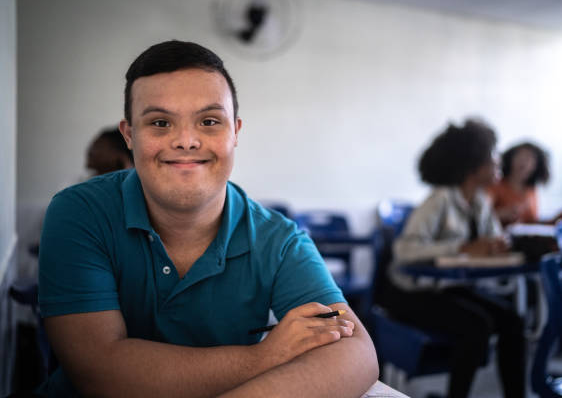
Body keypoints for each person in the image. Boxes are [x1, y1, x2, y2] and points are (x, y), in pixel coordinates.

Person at [38, 40, 378, 397]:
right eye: (160, 122)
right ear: (129, 135)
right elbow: (99, 371)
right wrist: (263, 357)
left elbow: (356, 352)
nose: (186, 140)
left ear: (235, 133)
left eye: (210, 121)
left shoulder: (279, 240)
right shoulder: (79, 212)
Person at [382, 119, 526, 398]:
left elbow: (488, 241)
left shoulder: (480, 201)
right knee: (476, 325)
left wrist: (498, 246)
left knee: (513, 321)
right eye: (493, 155)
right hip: (409, 293)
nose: (499, 161)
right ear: (474, 165)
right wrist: (462, 247)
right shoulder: (440, 199)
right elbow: (405, 250)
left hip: (448, 288)